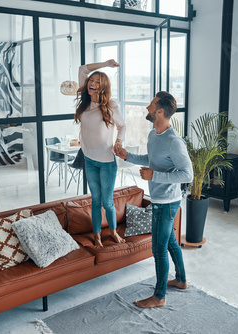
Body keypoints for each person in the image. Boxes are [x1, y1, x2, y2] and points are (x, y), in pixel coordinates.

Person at [114, 91, 193, 308]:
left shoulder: (174, 142)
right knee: (169, 242)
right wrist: (127, 156)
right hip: (159, 199)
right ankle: (181, 280)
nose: (146, 108)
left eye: (150, 106)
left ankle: (159, 297)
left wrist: (154, 176)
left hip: (166, 203)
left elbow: (188, 175)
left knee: (158, 248)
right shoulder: (153, 134)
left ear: (159, 111)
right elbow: (152, 159)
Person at [75, 59, 126, 248]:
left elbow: (122, 126)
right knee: (95, 201)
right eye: (91, 81)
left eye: (97, 82)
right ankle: (97, 235)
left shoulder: (111, 106)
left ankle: (112, 231)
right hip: (89, 159)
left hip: (106, 162)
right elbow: (82, 69)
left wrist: (119, 141)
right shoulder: (85, 102)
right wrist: (105, 64)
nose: (92, 84)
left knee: (107, 201)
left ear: (103, 87)